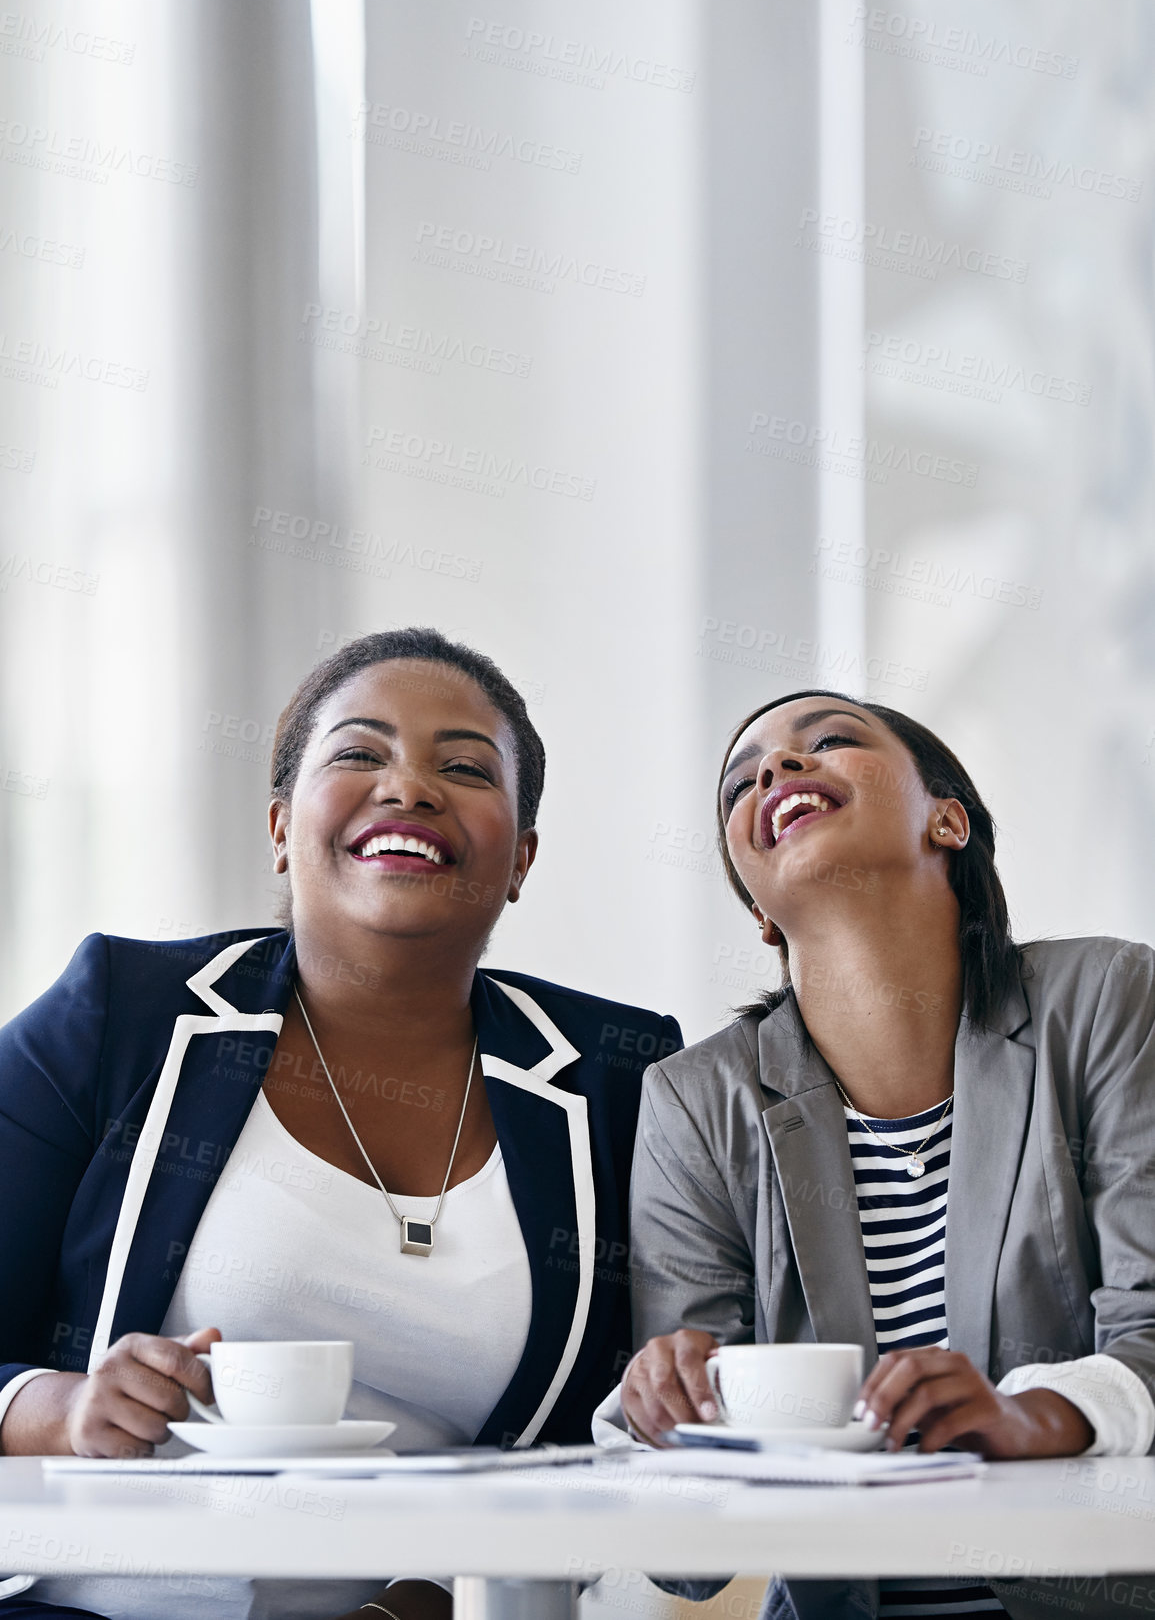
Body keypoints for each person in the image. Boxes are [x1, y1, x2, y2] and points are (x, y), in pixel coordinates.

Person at [0, 628, 681, 1620]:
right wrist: (53, 1410)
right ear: (281, 826)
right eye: (360, 753)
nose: (408, 787)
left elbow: (649, 1417)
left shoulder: (618, 1075)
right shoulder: (121, 1014)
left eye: (463, 767)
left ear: (522, 855)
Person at [614, 691, 1155, 1620]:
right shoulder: (693, 1101)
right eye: (744, 779)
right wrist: (663, 1422)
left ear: (947, 818)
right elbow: (686, 1559)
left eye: (827, 742)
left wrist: (1030, 1418)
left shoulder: (1103, 996)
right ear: (757, 905)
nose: (777, 770)